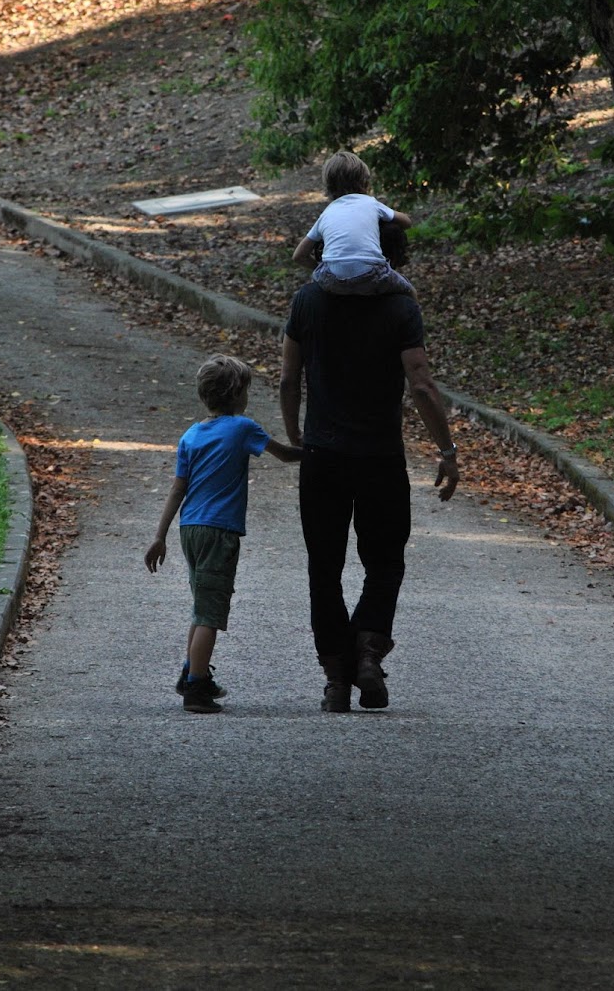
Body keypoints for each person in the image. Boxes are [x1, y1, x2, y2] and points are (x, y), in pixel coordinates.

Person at [280, 192, 459, 713]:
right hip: (380, 458)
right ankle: (368, 650)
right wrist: (446, 450)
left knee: (324, 566)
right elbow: (422, 385)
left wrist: (296, 436)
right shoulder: (400, 306)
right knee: (385, 563)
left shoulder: (307, 302)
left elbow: (289, 377)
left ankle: (336, 679)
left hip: (322, 457)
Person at [145, 354, 302, 714]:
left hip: (190, 529)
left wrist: (159, 535)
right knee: (211, 614)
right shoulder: (243, 428)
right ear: (237, 394)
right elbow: (284, 456)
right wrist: (319, 453)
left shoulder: (191, 435)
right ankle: (196, 689)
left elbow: (177, 489)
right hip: (220, 530)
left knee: (201, 606)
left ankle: (192, 672)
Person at [292, 149, 417, 298]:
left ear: (328, 186)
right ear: (365, 182)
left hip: (332, 281)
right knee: (410, 292)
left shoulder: (326, 213)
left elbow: (299, 256)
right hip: (370, 276)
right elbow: (407, 222)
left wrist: (320, 268)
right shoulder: (371, 203)